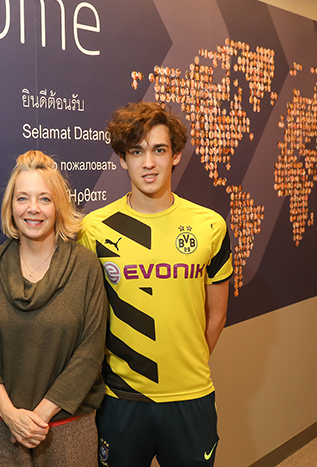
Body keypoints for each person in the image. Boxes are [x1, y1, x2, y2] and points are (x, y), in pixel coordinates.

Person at [78, 102, 233, 466]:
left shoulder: (210, 225)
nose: (148, 163)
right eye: (137, 151)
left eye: (159, 150)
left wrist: (185, 363)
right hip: (122, 400)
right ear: (122, 158)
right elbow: (86, 320)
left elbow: (218, 313)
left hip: (191, 397)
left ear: (176, 155)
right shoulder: (93, 229)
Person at [0, 150, 107, 466]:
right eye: (23, 198)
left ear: (58, 206)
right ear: (11, 206)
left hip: (69, 430)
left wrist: (39, 417)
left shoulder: (84, 265)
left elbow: (90, 352)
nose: (33, 208)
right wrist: (9, 414)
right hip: (2, 429)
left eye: (44, 199)